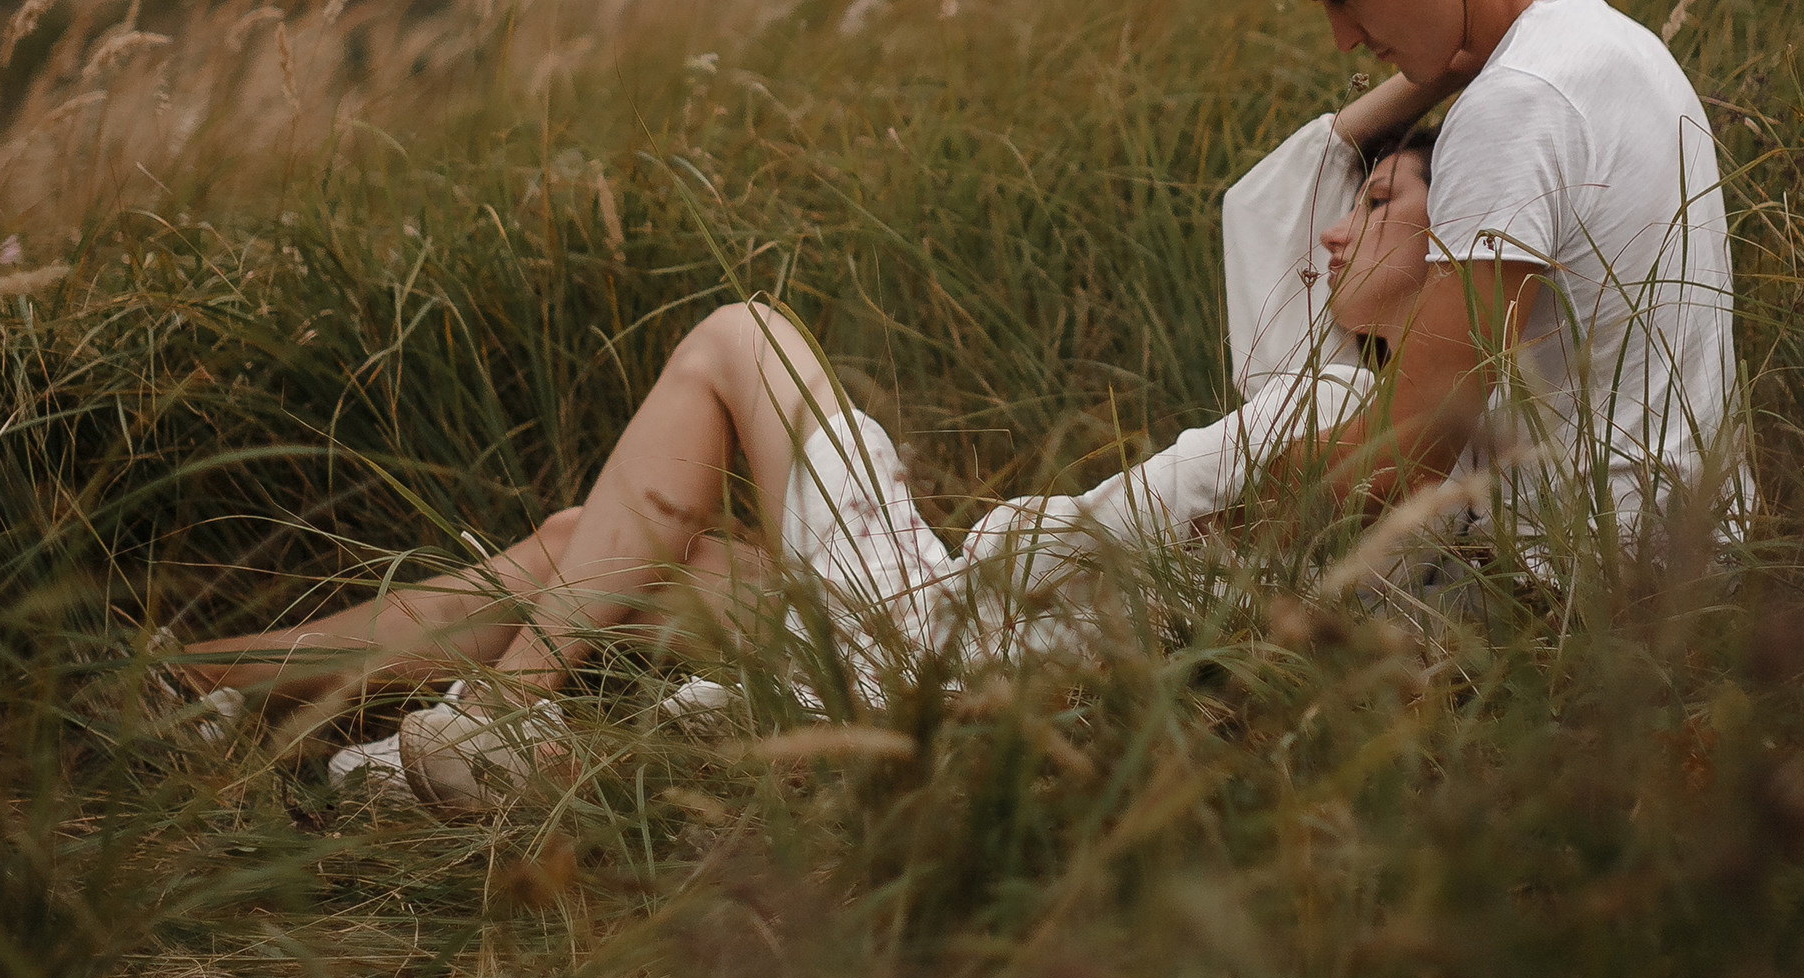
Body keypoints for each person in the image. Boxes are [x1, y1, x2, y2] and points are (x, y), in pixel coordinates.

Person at [166, 77, 1441, 814]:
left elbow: (1145, 588)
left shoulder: (1355, 439)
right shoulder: (1317, 372)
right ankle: (206, 690)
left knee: (742, 332)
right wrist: (1447, 64)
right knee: (579, 550)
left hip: (938, 641)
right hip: (949, 609)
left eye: (1380, 210)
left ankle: (492, 707)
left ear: (1458, 247)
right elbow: (1278, 195)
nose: (1332, 236)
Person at [1252, 0, 1739, 546]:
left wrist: (1219, 521)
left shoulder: (1514, 106)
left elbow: (1408, 448)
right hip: (1692, 553)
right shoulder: (1627, 49)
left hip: (1584, 604)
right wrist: (1443, 69)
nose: (1343, 39)